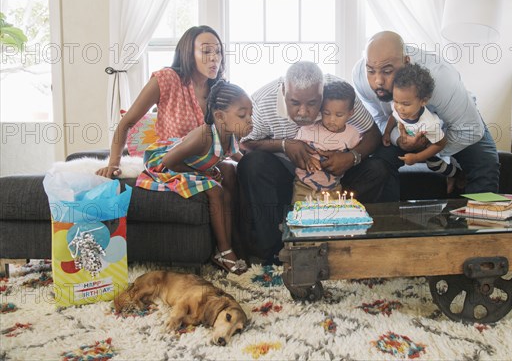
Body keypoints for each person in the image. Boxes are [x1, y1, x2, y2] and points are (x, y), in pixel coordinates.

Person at [238, 61, 388, 263]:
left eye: (312, 103)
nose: (303, 112)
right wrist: (284, 145)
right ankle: (274, 252)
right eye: (295, 103)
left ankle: (351, 241)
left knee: (377, 169)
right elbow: (245, 143)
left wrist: (351, 157)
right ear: (283, 90)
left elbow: (373, 134)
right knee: (252, 164)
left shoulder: (338, 93)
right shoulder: (262, 103)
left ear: (323, 93)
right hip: (287, 181)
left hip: (336, 183)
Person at [353, 31, 499, 196]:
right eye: (371, 71)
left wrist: (427, 150)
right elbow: (380, 120)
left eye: (387, 71)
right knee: (378, 165)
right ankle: (391, 220)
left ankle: (477, 219)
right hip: (403, 127)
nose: (378, 81)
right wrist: (400, 141)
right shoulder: (360, 77)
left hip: (455, 124)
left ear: (406, 62)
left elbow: (470, 129)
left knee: (485, 164)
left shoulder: (440, 79)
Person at [136, 81, 252, 274]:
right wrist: (204, 173)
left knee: (228, 184)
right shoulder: (204, 136)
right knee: (216, 189)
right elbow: (169, 160)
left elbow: (238, 157)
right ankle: (223, 251)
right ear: (220, 116)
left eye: (251, 114)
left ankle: (232, 242)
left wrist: (253, 165)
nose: (249, 120)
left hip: (194, 167)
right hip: (168, 165)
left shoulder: (230, 136)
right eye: (242, 115)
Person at [96, 25, 225, 178]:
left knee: (230, 170)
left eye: (218, 51)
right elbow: (126, 123)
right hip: (172, 163)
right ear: (189, 55)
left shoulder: (220, 89)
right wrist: (113, 164)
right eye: (206, 51)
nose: (214, 57)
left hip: (205, 162)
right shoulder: (166, 79)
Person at [382, 63, 463, 194]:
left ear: (423, 101)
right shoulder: (396, 106)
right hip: (409, 134)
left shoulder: (429, 124)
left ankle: (456, 174)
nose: (399, 107)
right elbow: (393, 116)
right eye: (396, 101)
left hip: (430, 141)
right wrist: (386, 133)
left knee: (434, 165)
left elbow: (441, 143)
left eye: (406, 104)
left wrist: (417, 157)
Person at [291, 80, 362, 202]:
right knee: (300, 217)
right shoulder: (308, 129)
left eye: (339, 115)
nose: (332, 120)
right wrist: (308, 159)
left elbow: (358, 153)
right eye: (326, 113)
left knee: (331, 217)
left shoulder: (353, 134)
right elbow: (296, 152)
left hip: (333, 189)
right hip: (303, 186)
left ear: (350, 113)